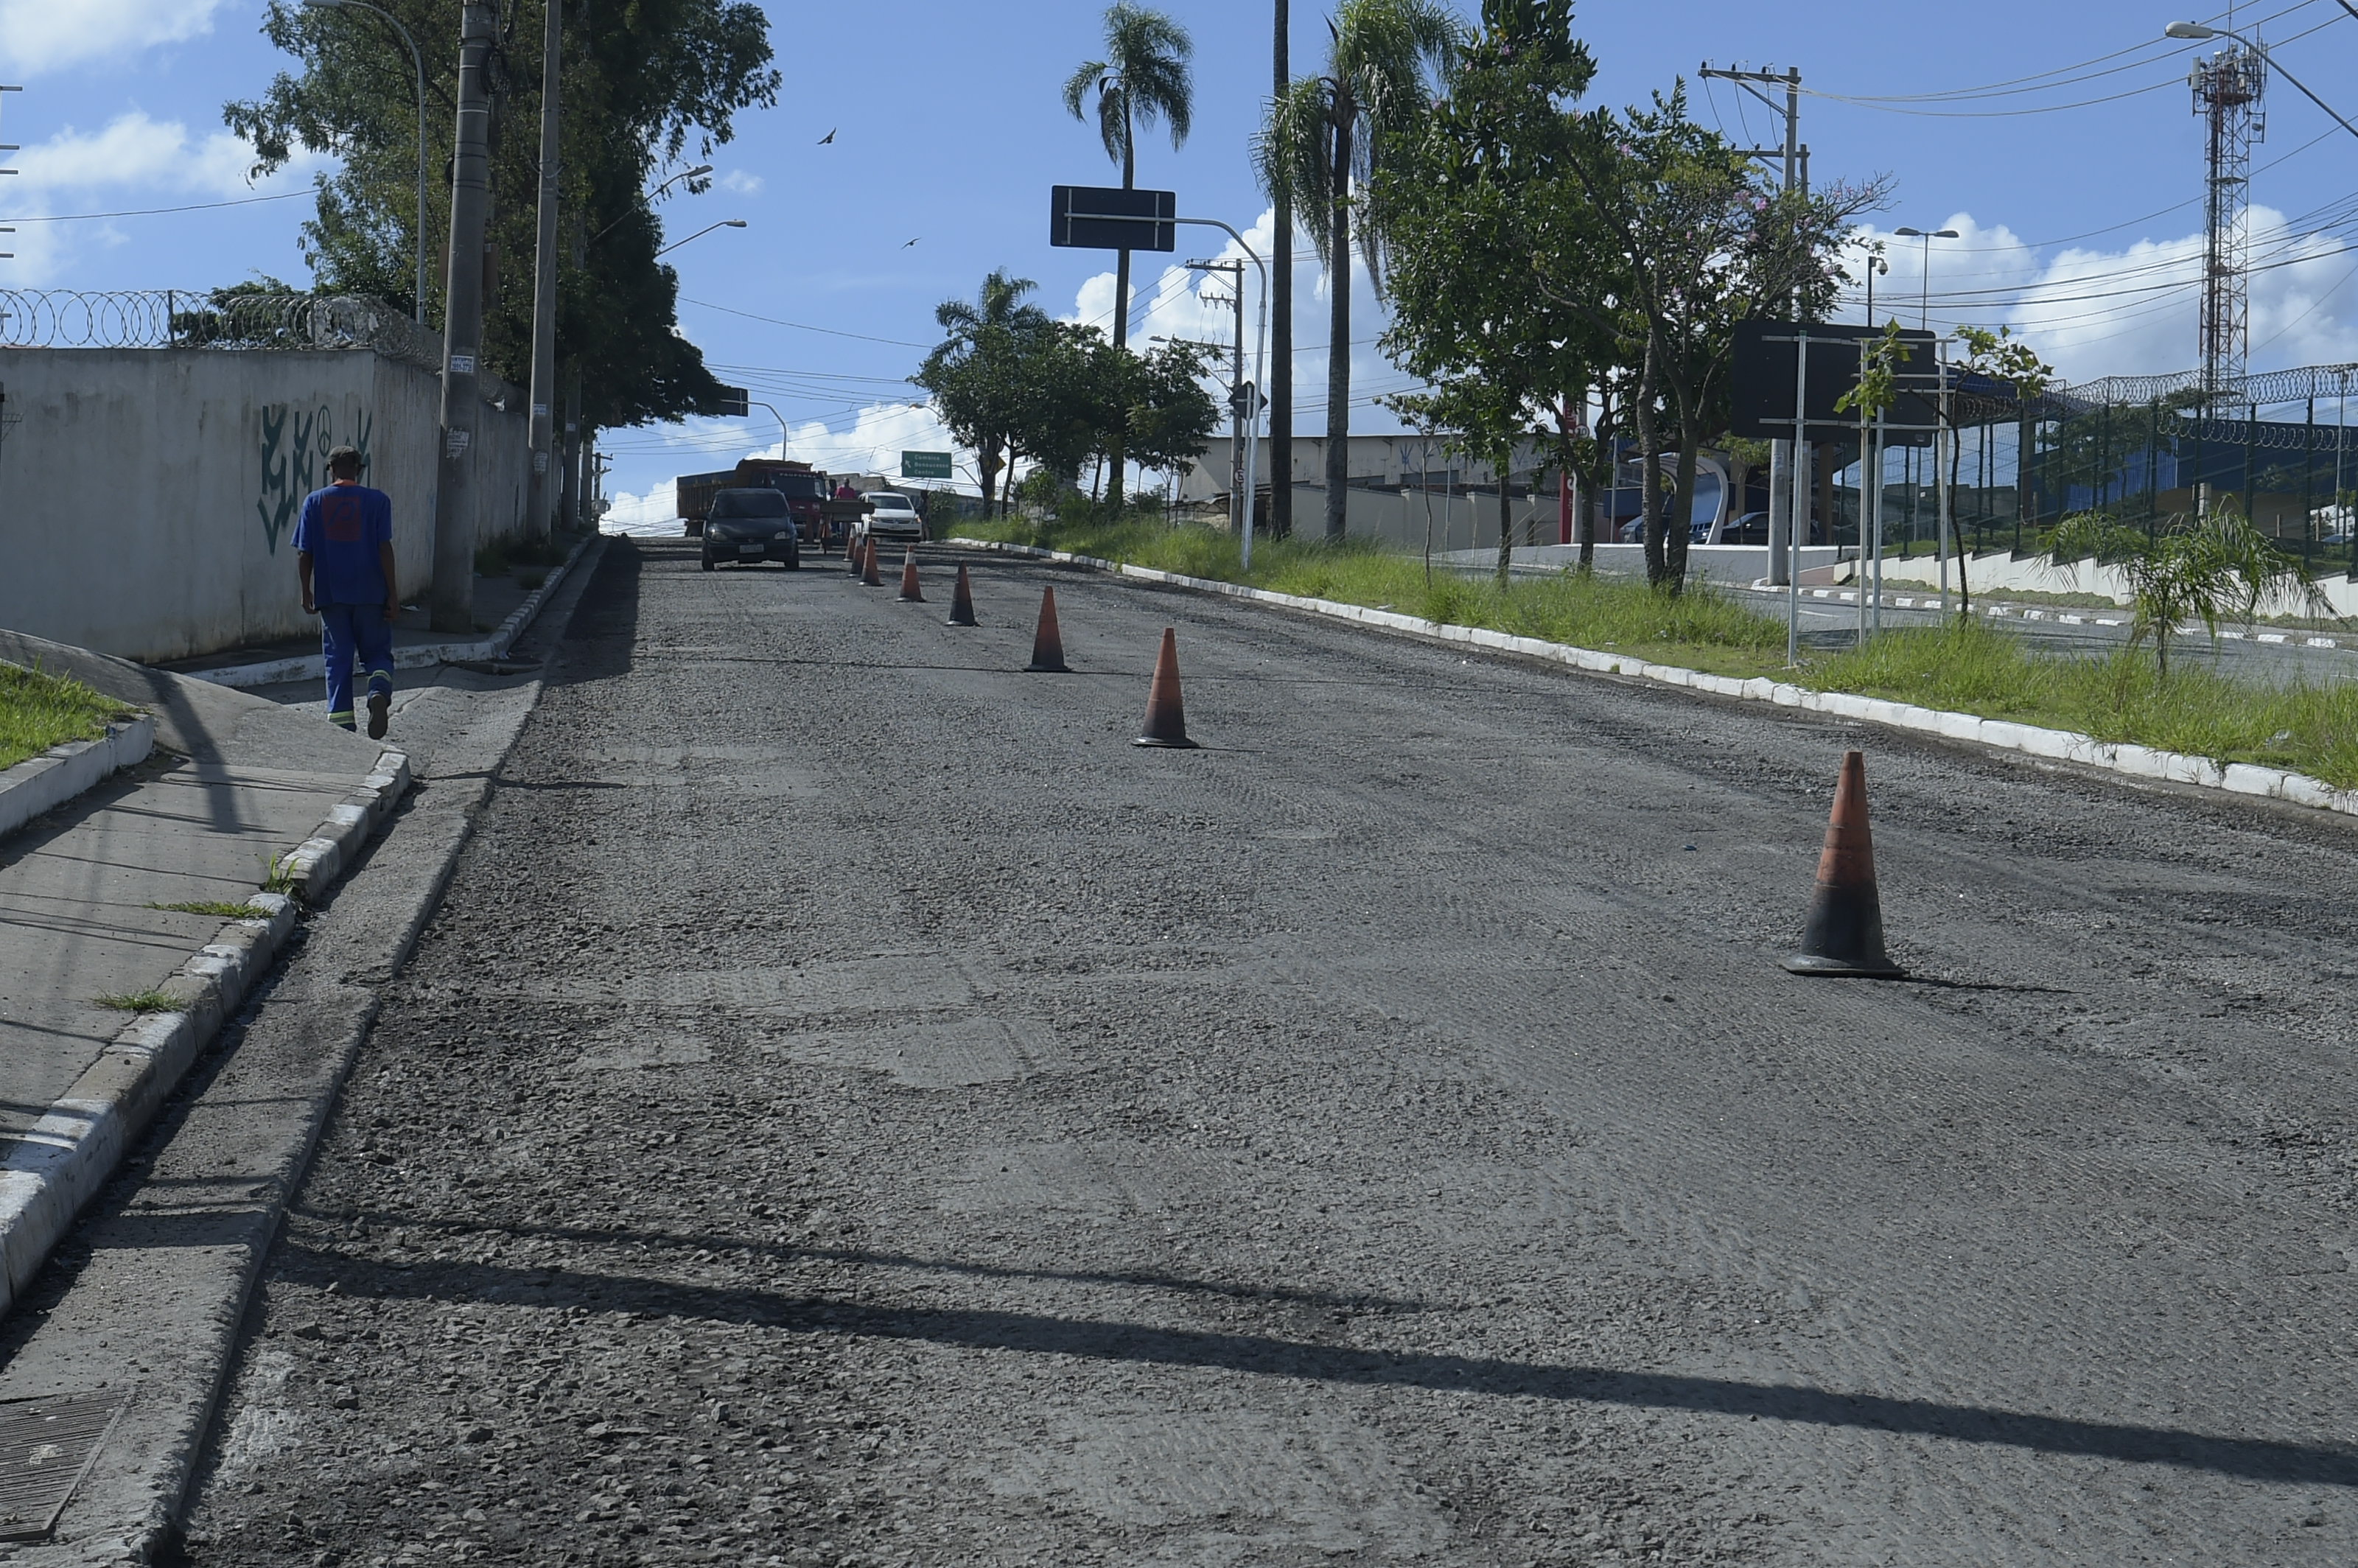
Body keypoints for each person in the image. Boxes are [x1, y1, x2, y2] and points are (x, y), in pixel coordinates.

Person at [293, 446, 398, 739]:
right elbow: (384, 549)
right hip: (372, 595)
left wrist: (306, 591)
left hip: (332, 596)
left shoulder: (314, 501)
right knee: (377, 654)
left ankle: (342, 727)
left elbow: (304, 552)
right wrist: (393, 594)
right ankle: (378, 691)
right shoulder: (378, 501)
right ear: (359, 469)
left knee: (338, 659)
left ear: (331, 470)